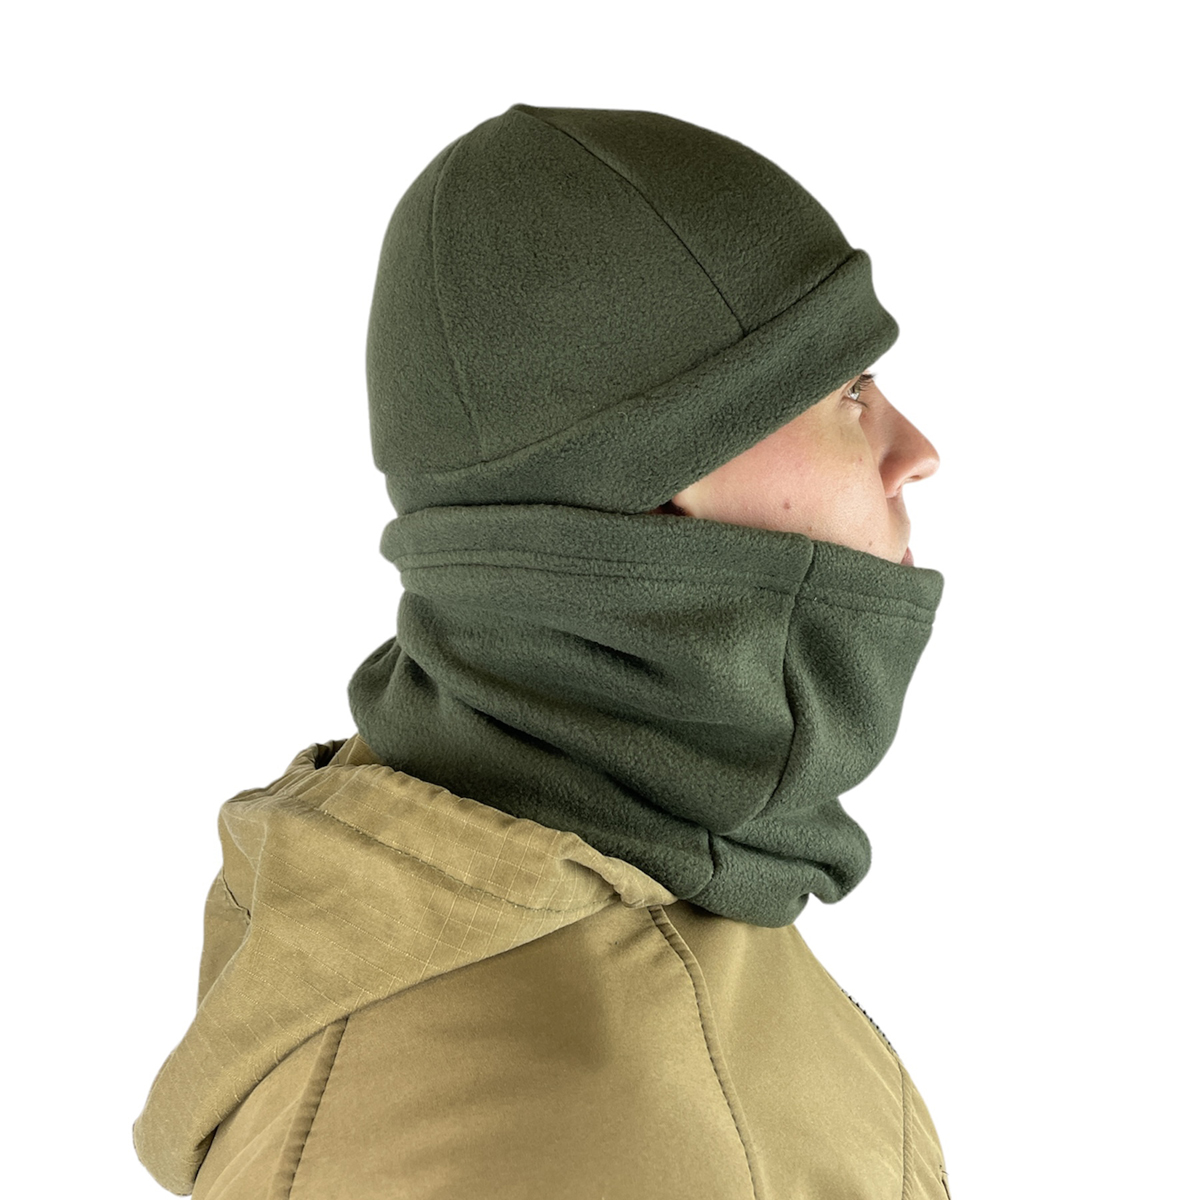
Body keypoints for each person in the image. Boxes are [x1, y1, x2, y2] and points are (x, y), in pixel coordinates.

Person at [134, 102, 950, 1199]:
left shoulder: (686, 904)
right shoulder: (534, 1112)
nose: (916, 450)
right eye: (847, 391)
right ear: (641, 486)